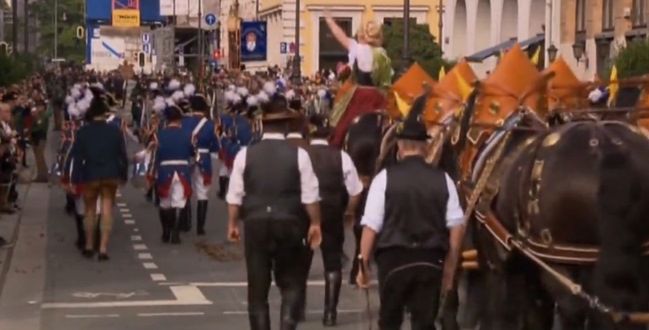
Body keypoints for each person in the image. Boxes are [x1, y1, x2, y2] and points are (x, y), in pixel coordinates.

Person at [356, 96, 465, 329]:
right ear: (425, 147)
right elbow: (456, 226)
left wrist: (362, 266)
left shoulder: (383, 179)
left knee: (390, 321)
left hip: (393, 261)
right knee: (425, 323)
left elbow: (371, 226)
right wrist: (450, 267)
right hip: (431, 260)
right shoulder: (443, 179)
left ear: (399, 146)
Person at [226, 93, 322, 330]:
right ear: (287, 125)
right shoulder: (300, 155)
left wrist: (233, 224)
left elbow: (235, 195)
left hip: (256, 223)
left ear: (262, 124)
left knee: (257, 290)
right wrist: (315, 223)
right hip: (289, 222)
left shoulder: (245, 155)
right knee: (290, 284)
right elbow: (310, 195)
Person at [306, 114, 363, 326]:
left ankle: (297, 306)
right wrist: (348, 212)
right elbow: (356, 190)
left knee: (300, 261)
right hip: (331, 212)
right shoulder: (341, 157)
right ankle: (330, 313)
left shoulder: (300, 155)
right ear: (329, 135)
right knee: (333, 263)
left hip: (303, 213)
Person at [69, 88, 129, 261]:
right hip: (110, 174)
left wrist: (74, 179)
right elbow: (122, 155)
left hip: (91, 174)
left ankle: (89, 245)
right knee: (107, 210)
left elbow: (77, 158)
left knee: (89, 211)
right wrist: (123, 175)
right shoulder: (115, 131)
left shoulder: (82, 133)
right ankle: (103, 248)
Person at [323, 10, 392, 148]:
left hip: (359, 95)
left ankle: (338, 148)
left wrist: (330, 21)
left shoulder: (357, 48)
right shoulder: (383, 54)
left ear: (361, 34)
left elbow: (341, 36)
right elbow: (386, 82)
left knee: (341, 126)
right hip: (378, 97)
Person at [152, 104, 195, 244]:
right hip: (182, 170)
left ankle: (166, 231)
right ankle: (175, 233)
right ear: (179, 119)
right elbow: (193, 153)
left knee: (165, 203)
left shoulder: (159, 135)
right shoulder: (188, 134)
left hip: (164, 171)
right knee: (179, 202)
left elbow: (154, 155)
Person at [182, 94, 219, 235]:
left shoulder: (184, 122)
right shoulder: (210, 124)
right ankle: (200, 227)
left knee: (186, 190)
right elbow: (215, 145)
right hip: (204, 157)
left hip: (187, 156)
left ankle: (186, 222)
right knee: (203, 193)